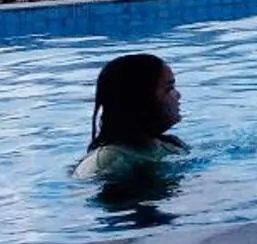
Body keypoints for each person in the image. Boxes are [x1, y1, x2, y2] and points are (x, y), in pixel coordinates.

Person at [73, 53, 186, 181]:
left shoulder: (172, 144)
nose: (178, 95)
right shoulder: (109, 162)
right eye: (169, 88)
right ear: (141, 99)